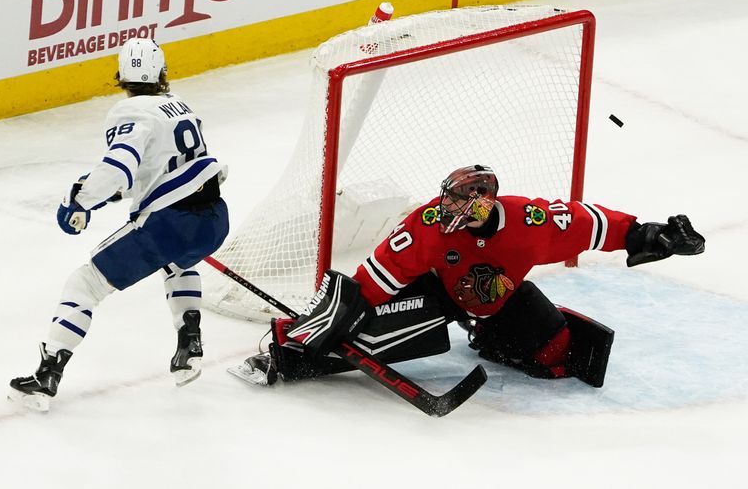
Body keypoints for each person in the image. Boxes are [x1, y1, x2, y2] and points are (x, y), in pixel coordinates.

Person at [230, 164, 704, 389]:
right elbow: (374, 280)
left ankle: (489, 337)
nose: (447, 208)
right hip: (435, 293)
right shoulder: (428, 226)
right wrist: (323, 330)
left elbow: (592, 223)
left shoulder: (530, 223)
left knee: (556, 353)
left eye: (459, 201)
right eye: (448, 198)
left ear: (484, 201)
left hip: (497, 301)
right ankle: (292, 356)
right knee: (373, 336)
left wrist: (648, 234)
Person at [9, 38, 229, 411]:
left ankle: (47, 375)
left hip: (168, 223)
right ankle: (189, 342)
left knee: (85, 283)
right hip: (214, 218)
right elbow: (159, 169)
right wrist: (112, 193)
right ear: (161, 73)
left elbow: (120, 167)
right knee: (178, 263)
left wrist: (82, 200)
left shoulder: (133, 113)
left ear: (121, 77)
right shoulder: (180, 107)